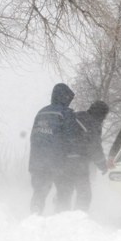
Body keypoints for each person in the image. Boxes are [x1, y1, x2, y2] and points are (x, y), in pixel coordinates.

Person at [29, 83, 78, 214]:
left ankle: (36, 210)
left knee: (40, 190)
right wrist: (73, 158)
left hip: (38, 161)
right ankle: (61, 216)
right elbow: (71, 138)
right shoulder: (65, 113)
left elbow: (34, 137)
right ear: (64, 97)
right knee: (65, 190)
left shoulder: (41, 112)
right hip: (58, 161)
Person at [69, 100, 109, 211]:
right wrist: (103, 165)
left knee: (65, 191)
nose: (103, 119)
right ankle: (79, 218)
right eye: (104, 116)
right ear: (100, 114)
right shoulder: (92, 123)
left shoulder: (75, 117)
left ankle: (59, 214)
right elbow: (94, 147)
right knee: (84, 193)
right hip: (78, 161)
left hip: (63, 159)